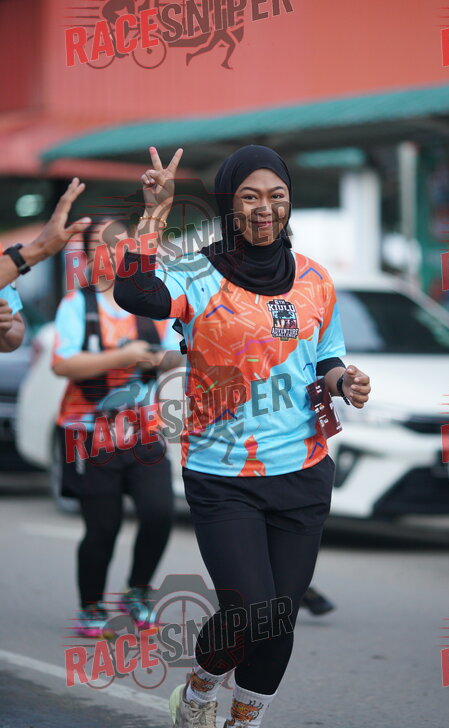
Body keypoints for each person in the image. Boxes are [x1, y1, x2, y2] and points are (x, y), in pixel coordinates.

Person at [114, 144, 371, 728]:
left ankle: (242, 722)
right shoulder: (196, 274)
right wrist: (154, 214)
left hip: (303, 471)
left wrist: (343, 381)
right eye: (249, 196)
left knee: (279, 620)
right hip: (223, 474)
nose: (264, 208)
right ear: (229, 205)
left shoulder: (315, 279)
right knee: (251, 611)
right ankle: (200, 688)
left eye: (276, 196)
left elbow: (325, 357)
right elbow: (134, 293)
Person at [51, 216, 181, 638]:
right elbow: (63, 364)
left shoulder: (150, 303)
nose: (114, 253)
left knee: (160, 513)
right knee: (102, 527)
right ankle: (91, 607)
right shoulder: (78, 305)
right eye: (105, 245)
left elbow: (174, 355)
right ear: (89, 255)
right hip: (90, 434)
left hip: (143, 432)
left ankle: (137, 592)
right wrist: (125, 357)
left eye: (123, 245)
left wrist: (162, 357)